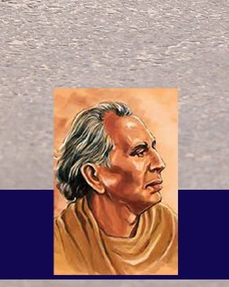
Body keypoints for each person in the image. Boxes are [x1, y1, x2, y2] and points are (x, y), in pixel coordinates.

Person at [53, 100, 176, 276]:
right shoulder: (60, 245)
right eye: (139, 152)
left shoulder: (171, 230)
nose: (159, 163)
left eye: (152, 148)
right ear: (94, 176)